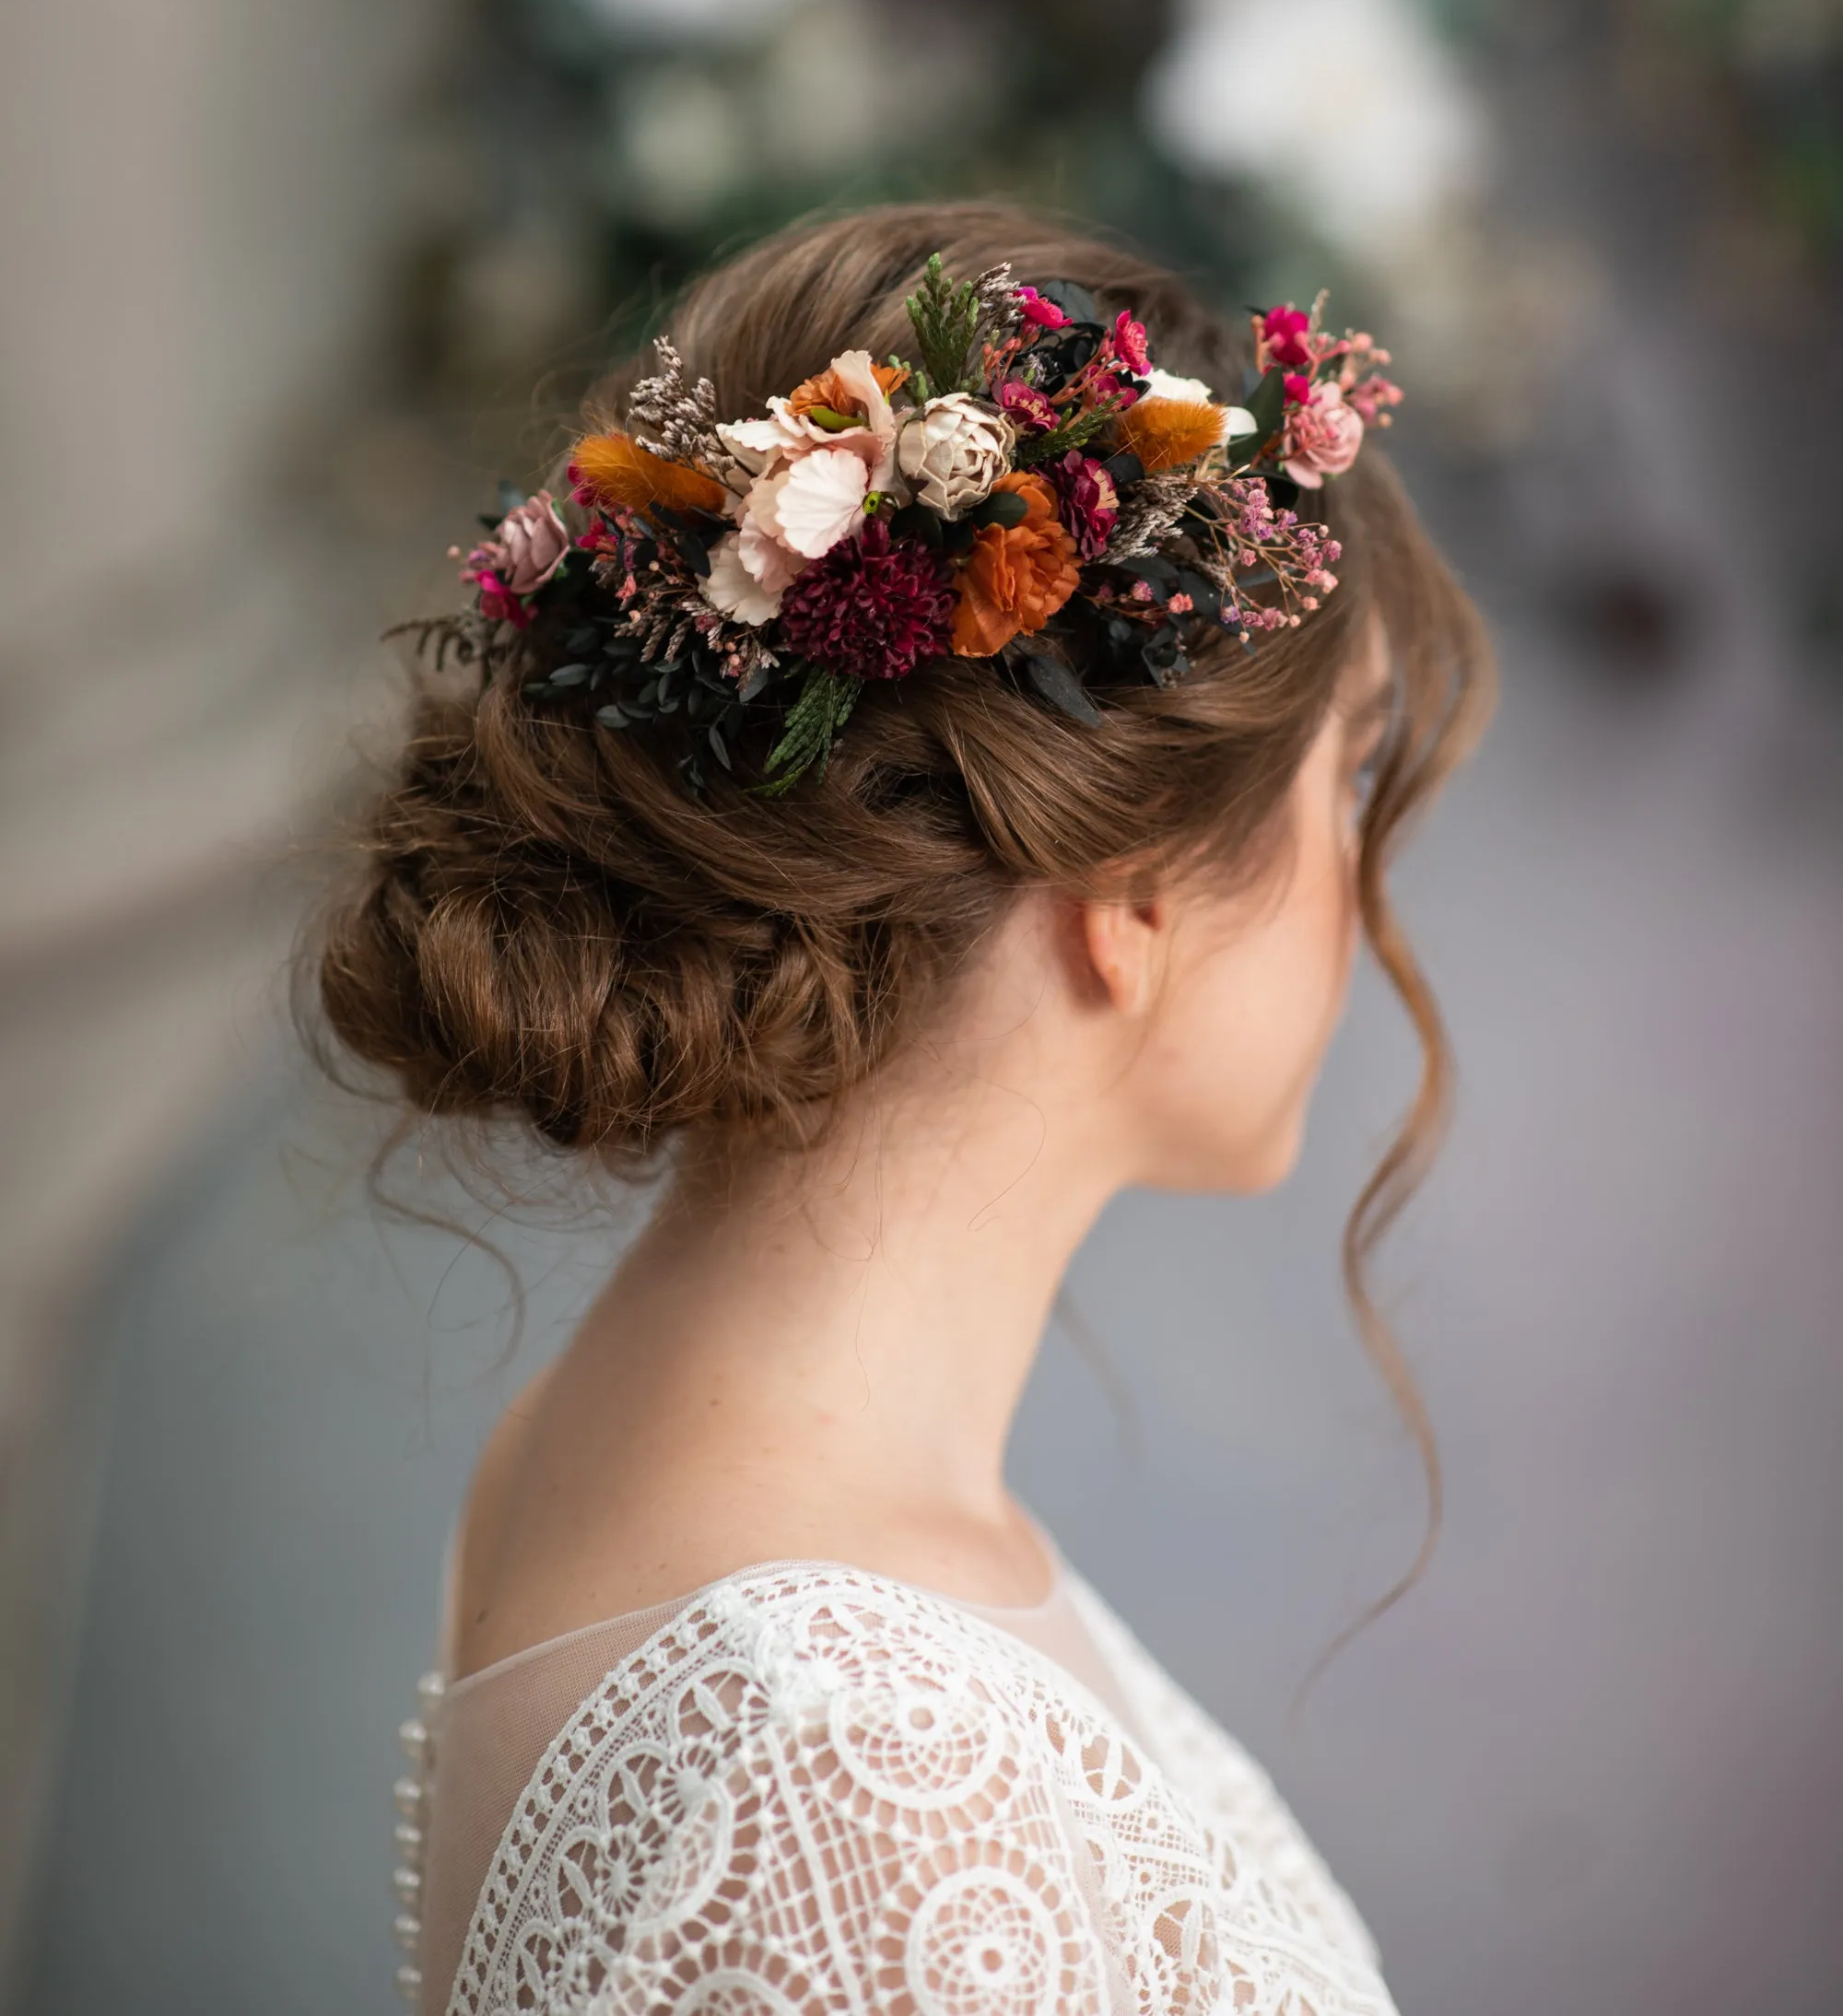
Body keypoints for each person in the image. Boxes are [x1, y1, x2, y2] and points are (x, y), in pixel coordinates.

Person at [313, 203, 1490, 2015]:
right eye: (1348, 778)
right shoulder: (854, 1788)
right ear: (1142, 891)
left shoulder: (655, 1465)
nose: (1376, 892)